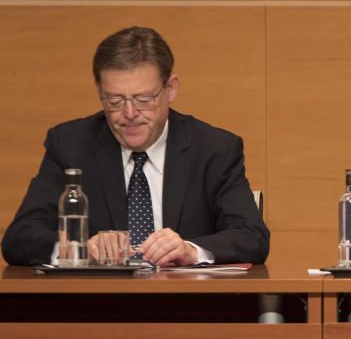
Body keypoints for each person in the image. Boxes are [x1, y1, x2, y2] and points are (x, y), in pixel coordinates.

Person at [2, 26, 269, 267]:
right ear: (100, 92)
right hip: (96, 309)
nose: (129, 113)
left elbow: (251, 236)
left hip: (189, 307)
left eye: (143, 99)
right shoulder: (71, 145)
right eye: (115, 100)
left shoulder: (214, 149)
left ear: (170, 89)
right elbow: (19, 238)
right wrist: (80, 250)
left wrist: (191, 250)